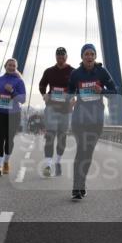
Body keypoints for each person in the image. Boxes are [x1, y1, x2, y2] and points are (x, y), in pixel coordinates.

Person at [67, 43, 116, 200]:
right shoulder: (75, 74)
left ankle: (82, 184)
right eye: (86, 54)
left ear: (95, 57)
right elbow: (69, 93)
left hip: (96, 120)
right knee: (81, 150)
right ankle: (77, 187)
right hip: (79, 119)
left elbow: (115, 91)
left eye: (92, 54)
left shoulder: (102, 72)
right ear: (82, 57)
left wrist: (102, 90)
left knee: (88, 153)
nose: (89, 57)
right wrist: (70, 100)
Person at [0, 58, 27, 176]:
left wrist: (13, 91)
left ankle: (6, 162)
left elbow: (23, 99)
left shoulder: (19, 82)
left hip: (14, 114)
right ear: (5, 66)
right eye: (9, 65)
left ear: (16, 68)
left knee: (9, 140)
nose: (11, 67)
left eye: (14, 66)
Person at [38, 46, 73, 177]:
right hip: (51, 107)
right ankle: (48, 165)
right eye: (58, 56)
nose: (60, 58)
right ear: (55, 57)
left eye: (63, 56)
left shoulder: (72, 71)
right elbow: (42, 85)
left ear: (66, 57)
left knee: (62, 138)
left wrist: (75, 99)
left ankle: (57, 161)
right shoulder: (49, 71)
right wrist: (44, 94)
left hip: (66, 109)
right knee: (50, 136)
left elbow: (79, 87)